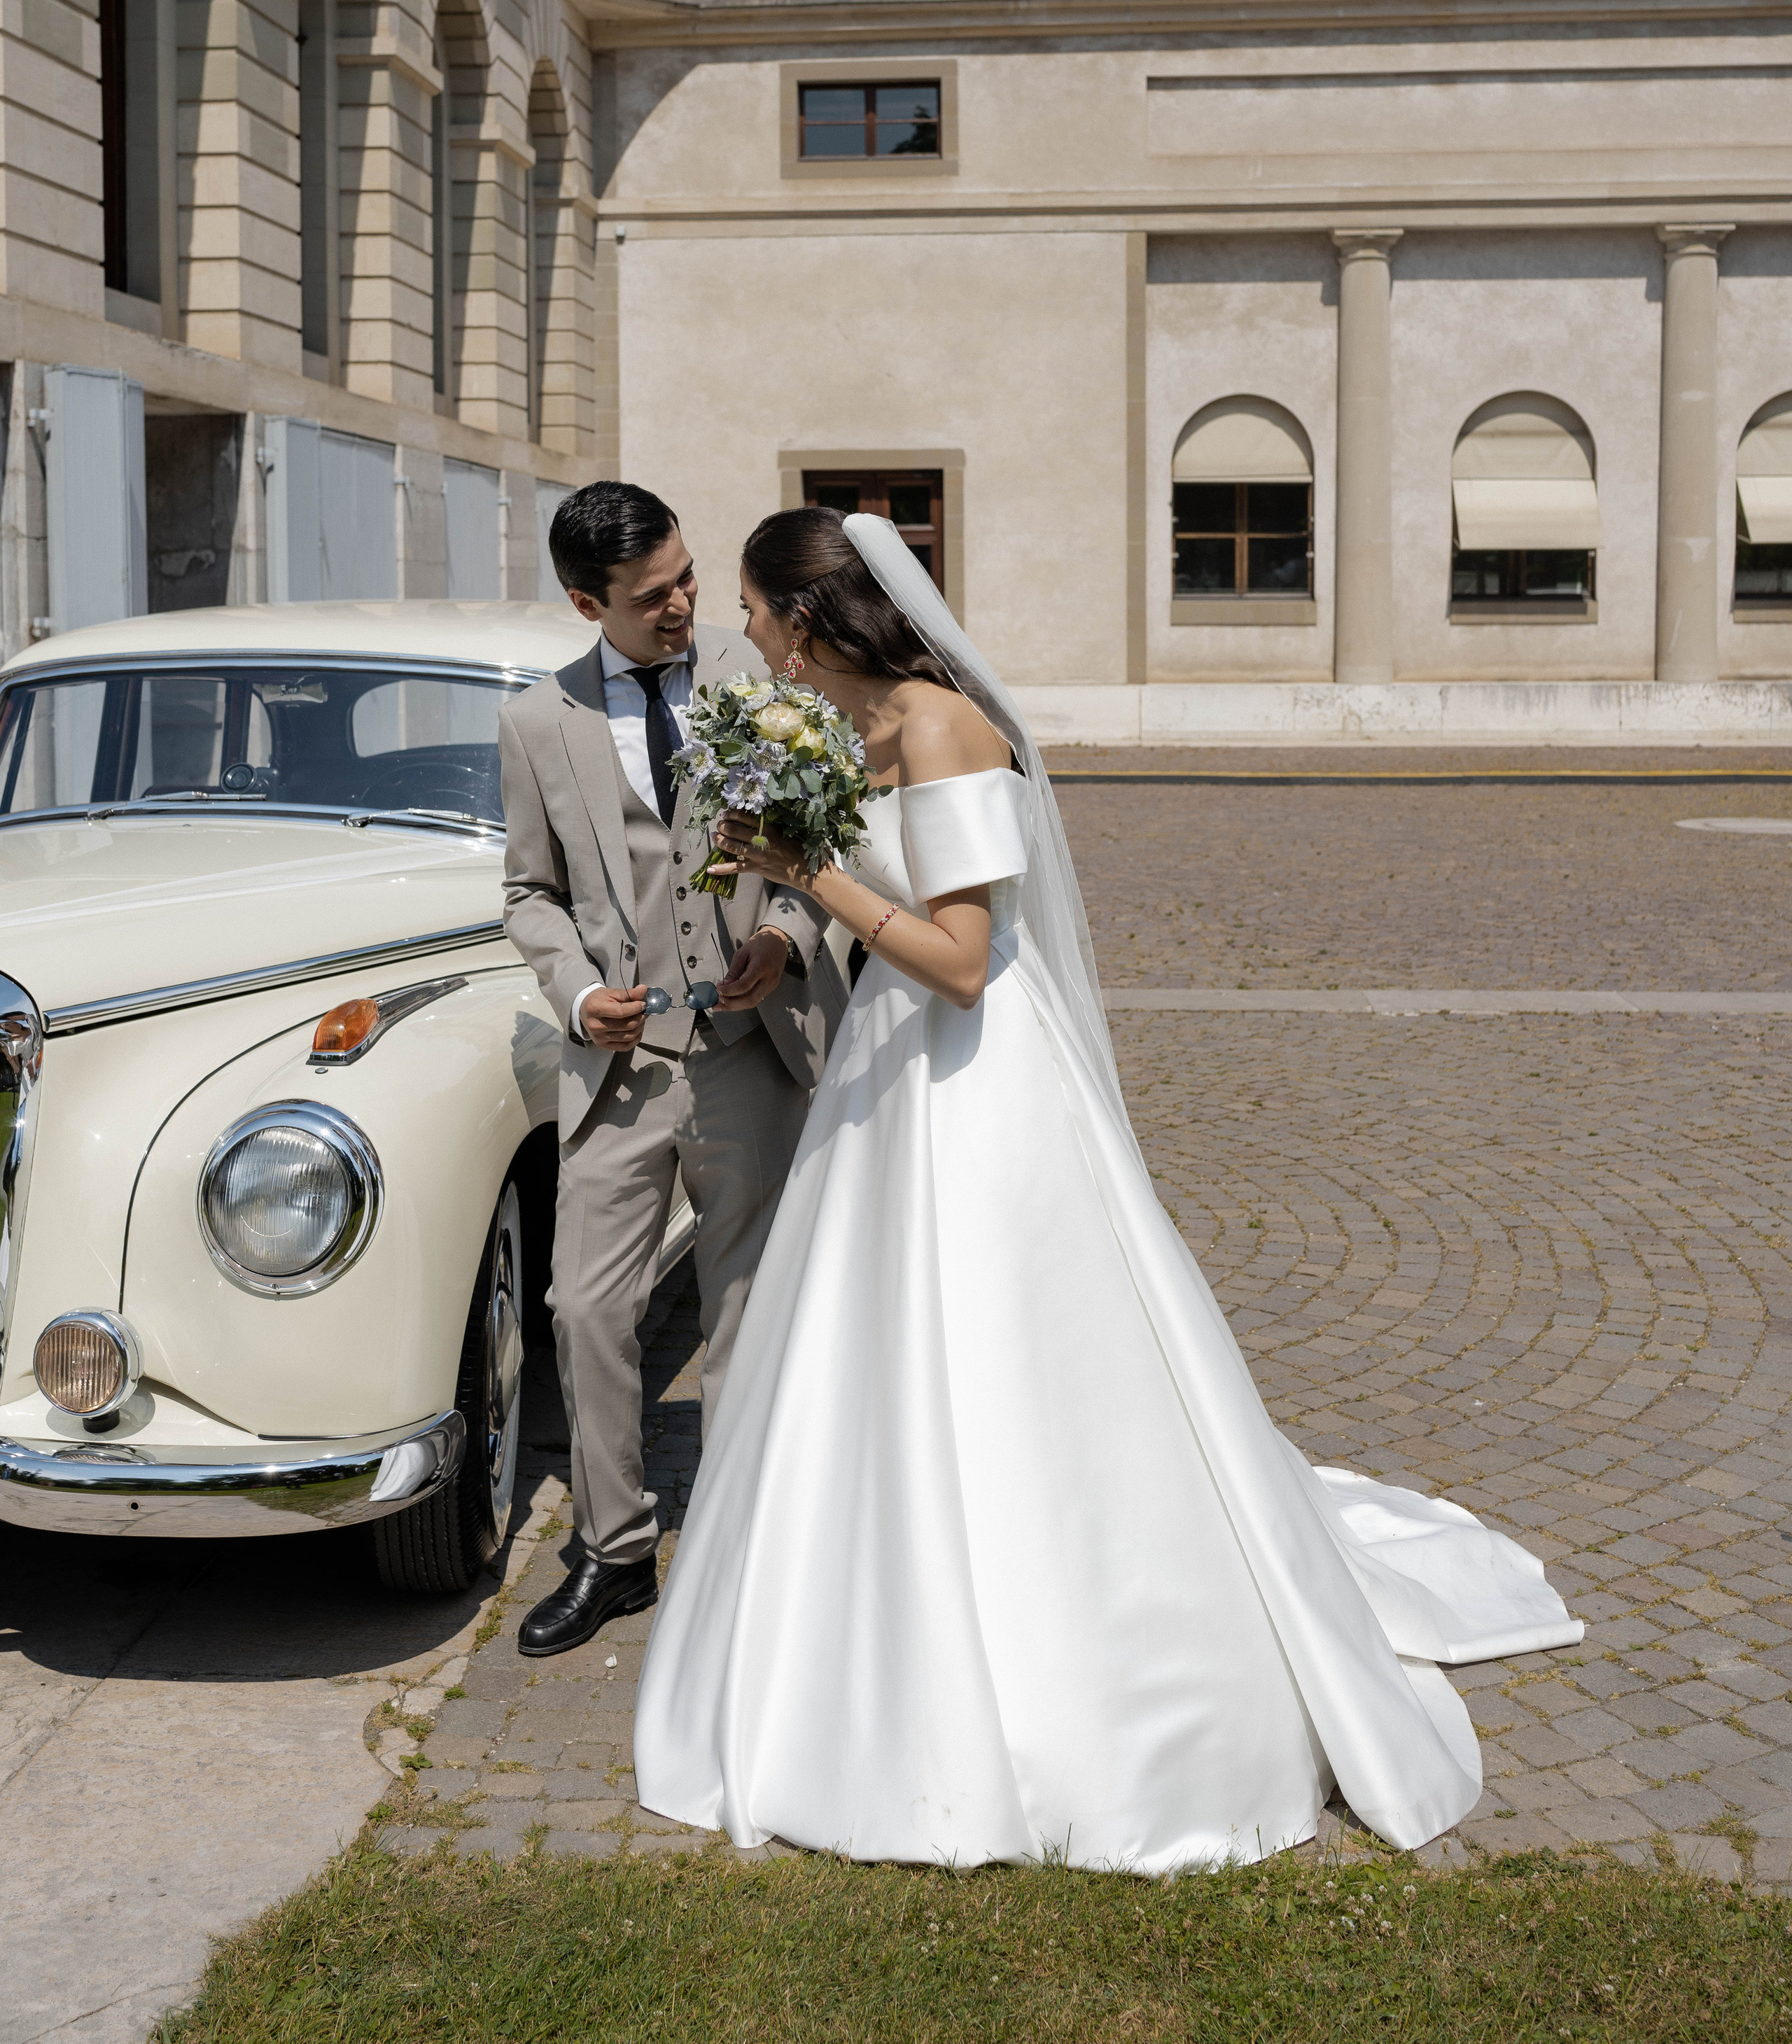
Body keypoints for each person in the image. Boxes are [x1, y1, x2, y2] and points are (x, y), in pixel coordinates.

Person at [631, 507, 1583, 1870]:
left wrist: (809, 873)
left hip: (976, 1070)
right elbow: (841, 907)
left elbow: (959, 958)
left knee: (1018, 1343)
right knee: (871, 1344)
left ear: (810, 613)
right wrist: (768, 891)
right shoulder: (839, 730)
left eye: (758, 612)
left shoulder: (946, 728)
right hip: (886, 1070)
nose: (754, 646)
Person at [498, 482, 844, 1658]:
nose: (686, 604)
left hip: (751, 1051)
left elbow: (823, 858)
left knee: (751, 1301)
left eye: (691, 579)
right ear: (588, 602)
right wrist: (577, 993)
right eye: (655, 597)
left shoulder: (768, 694)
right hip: (620, 1067)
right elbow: (528, 895)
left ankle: (752, 1542)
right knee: (584, 1308)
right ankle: (615, 1551)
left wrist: (787, 940)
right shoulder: (538, 723)